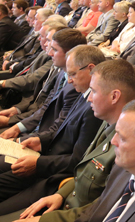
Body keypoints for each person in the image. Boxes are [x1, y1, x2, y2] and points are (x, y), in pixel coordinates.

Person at [0, 59, 135, 222]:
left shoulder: (129, 141)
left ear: (114, 96)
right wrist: (61, 194)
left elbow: (104, 205)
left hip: (72, 209)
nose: (89, 99)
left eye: (93, 92)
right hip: (65, 194)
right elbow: (83, 171)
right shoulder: (109, 120)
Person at [0, 45, 105, 215]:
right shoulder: (84, 92)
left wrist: (38, 163)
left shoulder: (95, 107)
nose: (69, 80)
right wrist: (40, 141)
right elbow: (60, 129)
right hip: (44, 158)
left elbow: (78, 161)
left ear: (91, 68)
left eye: (72, 74)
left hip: (52, 174)